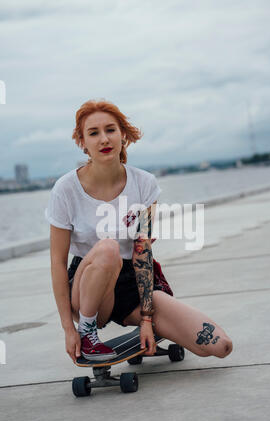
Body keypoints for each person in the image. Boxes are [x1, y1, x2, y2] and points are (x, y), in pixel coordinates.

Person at [45, 99, 233, 364]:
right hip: (86, 289)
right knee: (108, 248)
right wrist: (68, 329)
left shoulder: (144, 184)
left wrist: (146, 320)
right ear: (82, 142)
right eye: (93, 133)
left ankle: (153, 324)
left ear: (123, 134)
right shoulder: (65, 190)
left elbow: (142, 252)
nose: (103, 139)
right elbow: (56, 263)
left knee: (218, 346)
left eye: (110, 130)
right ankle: (88, 333)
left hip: (130, 281)